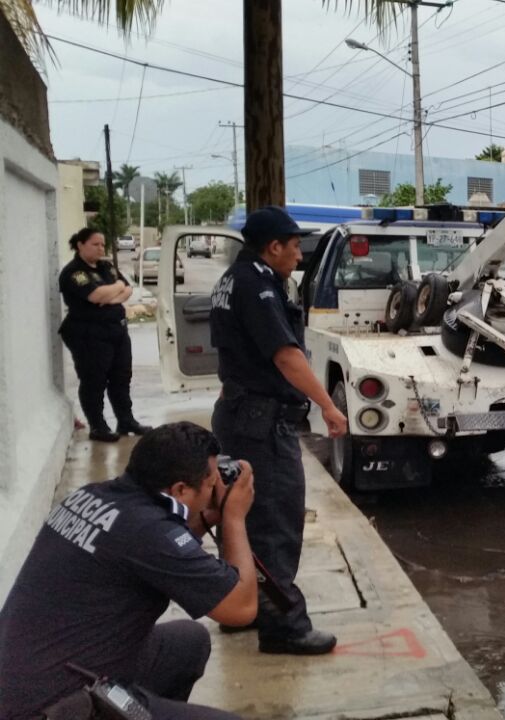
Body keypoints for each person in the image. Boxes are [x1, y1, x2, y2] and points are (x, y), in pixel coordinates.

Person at [0, 422, 258, 720]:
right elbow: (241, 607)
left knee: (187, 641)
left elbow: (156, 548)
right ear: (181, 489)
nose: (217, 488)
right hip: (55, 707)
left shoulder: (94, 495)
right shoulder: (148, 532)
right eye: (212, 482)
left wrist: (208, 518)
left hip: (26, 677)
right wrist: (234, 518)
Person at [209, 206, 347, 655]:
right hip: (261, 422)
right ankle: (284, 626)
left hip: (238, 412)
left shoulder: (233, 278)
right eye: (293, 247)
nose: (298, 256)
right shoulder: (258, 286)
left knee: (240, 521)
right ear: (273, 247)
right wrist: (328, 406)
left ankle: (243, 606)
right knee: (275, 524)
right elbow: (286, 356)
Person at [58, 228, 152, 443]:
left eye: (102, 244)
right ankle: (98, 426)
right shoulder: (75, 272)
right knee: (94, 380)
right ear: (80, 244)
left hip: (116, 330)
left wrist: (115, 291)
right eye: (95, 244)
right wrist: (113, 290)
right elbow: (95, 295)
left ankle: (125, 420)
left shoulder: (106, 267)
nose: (100, 248)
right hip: (88, 334)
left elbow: (127, 289)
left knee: (121, 377)